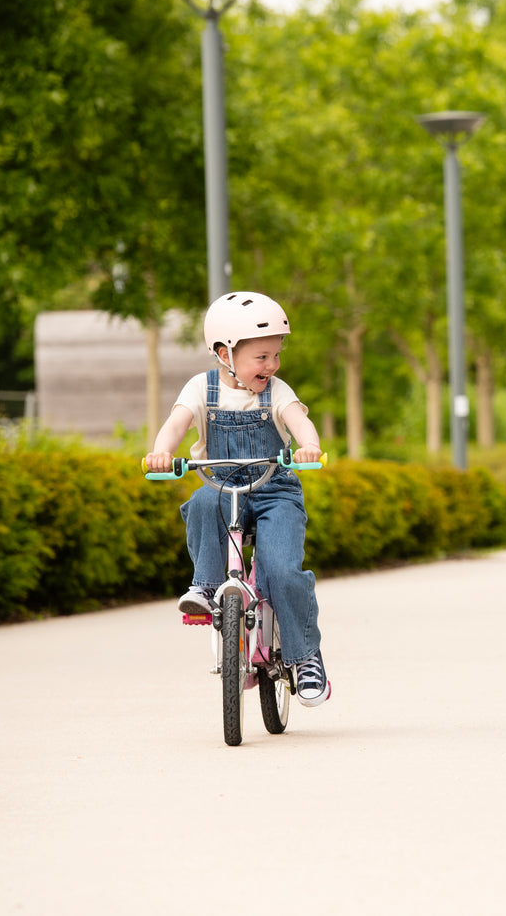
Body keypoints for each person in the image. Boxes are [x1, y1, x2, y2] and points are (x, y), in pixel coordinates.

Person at [144, 291, 331, 707]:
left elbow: (299, 420)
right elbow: (177, 424)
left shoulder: (277, 391)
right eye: (261, 357)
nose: (272, 365)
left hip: (274, 490)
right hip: (222, 486)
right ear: (224, 353)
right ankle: (206, 587)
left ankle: (305, 658)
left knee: (283, 572)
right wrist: (161, 450)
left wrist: (309, 446)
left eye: (275, 355)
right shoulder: (201, 388)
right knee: (200, 504)